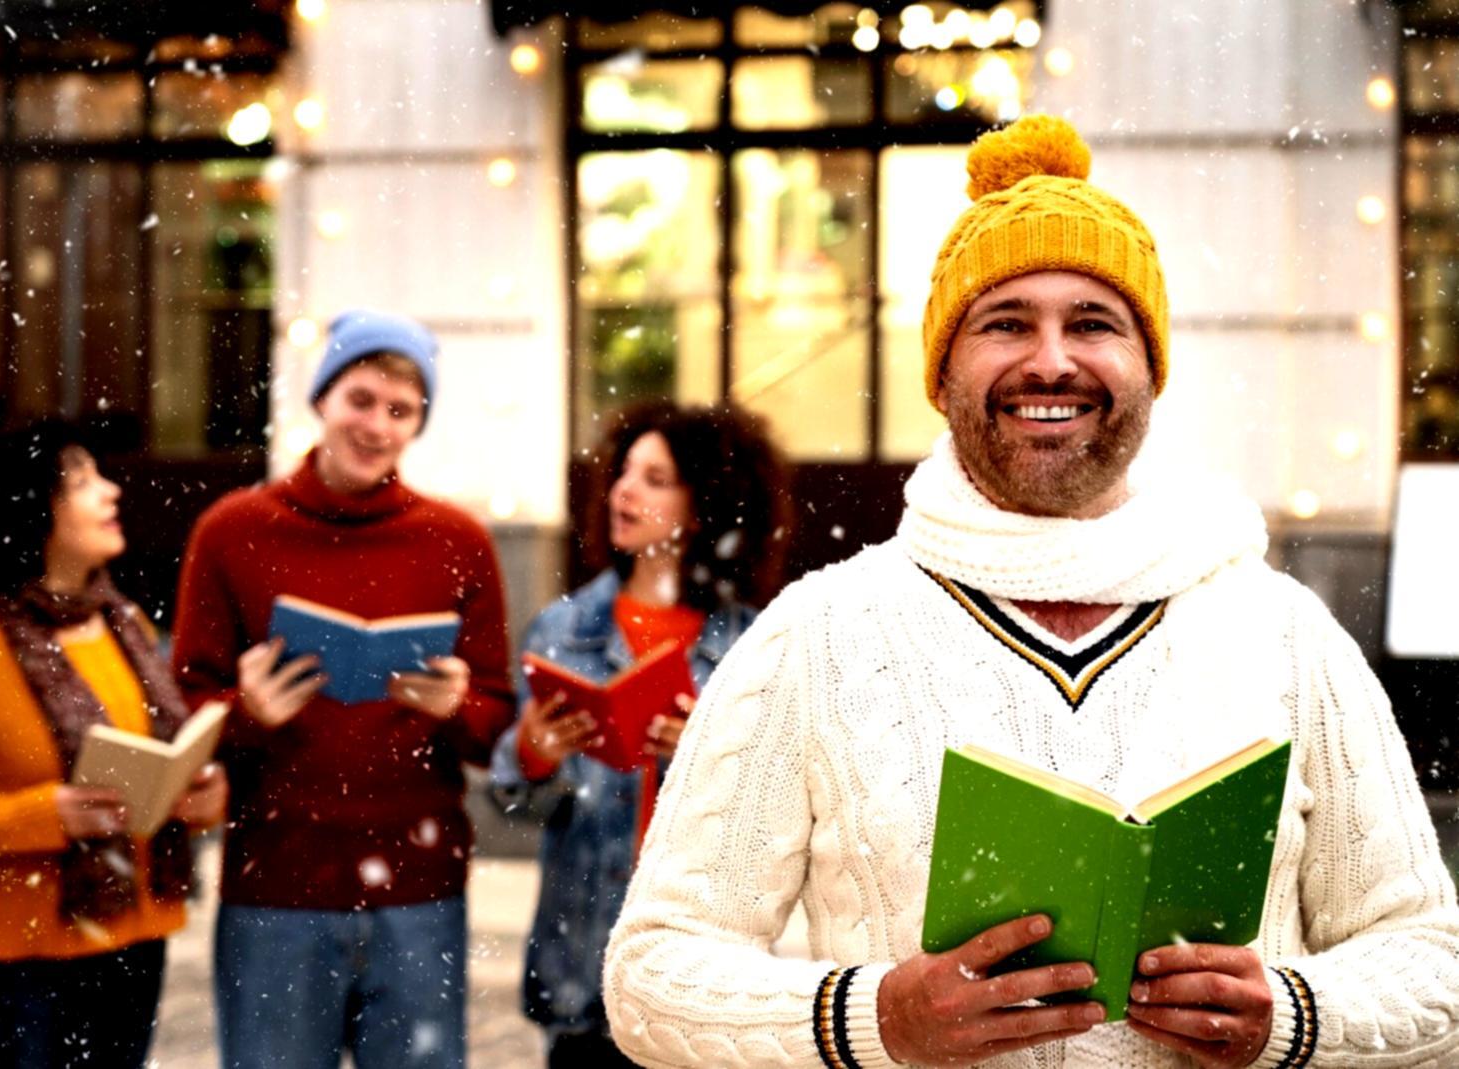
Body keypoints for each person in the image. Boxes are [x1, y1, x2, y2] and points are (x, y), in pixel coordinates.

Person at [603, 115, 1459, 1068]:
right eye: (1005, 323)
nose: (1050, 361)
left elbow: (1433, 964)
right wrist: (872, 1018)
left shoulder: (1282, 631)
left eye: (1093, 323)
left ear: (1148, 369)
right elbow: (652, 972)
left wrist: (1292, 1016)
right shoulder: (819, 632)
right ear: (943, 371)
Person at [172, 310, 514, 1069]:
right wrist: (245, 715)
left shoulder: (459, 542)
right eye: (361, 399)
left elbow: (499, 724)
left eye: (402, 410)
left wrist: (457, 705)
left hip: (419, 890)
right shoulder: (231, 532)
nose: (378, 425)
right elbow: (183, 708)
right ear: (321, 397)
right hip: (276, 886)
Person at [0, 420, 227, 1069]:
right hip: (16, 962)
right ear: (31, 508)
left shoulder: (124, 625)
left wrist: (196, 796)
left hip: (129, 937)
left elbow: (146, 766)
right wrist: (41, 816)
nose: (112, 492)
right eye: (85, 481)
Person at [490, 401, 789, 1068]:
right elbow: (511, 803)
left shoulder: (755, 644)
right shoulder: (563, 633)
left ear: (703, 503)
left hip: (708, 982)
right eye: (624, 473)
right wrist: (533, 756)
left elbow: (782, 827)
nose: (624, 490)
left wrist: (709, 762)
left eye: (655, 479)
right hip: (585, 978)